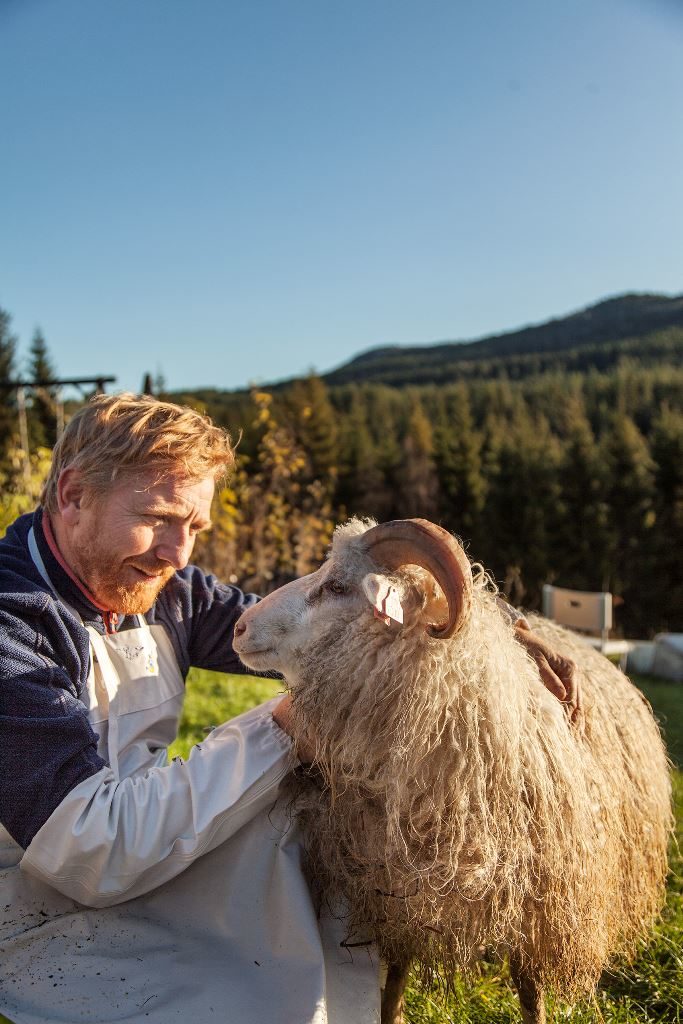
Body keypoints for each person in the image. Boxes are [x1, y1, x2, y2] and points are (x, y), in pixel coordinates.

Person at [0, 393, 579, 1024]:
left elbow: (317, 624)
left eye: (195, 528)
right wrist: (292, 724)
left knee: (311, 891)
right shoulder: (14, 624)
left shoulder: (155, 586)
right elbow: (87, 846)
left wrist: (495, 635)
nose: (179, 554)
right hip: (39, 899)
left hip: (148, 841)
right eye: (158, 516)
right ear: (73, 496)